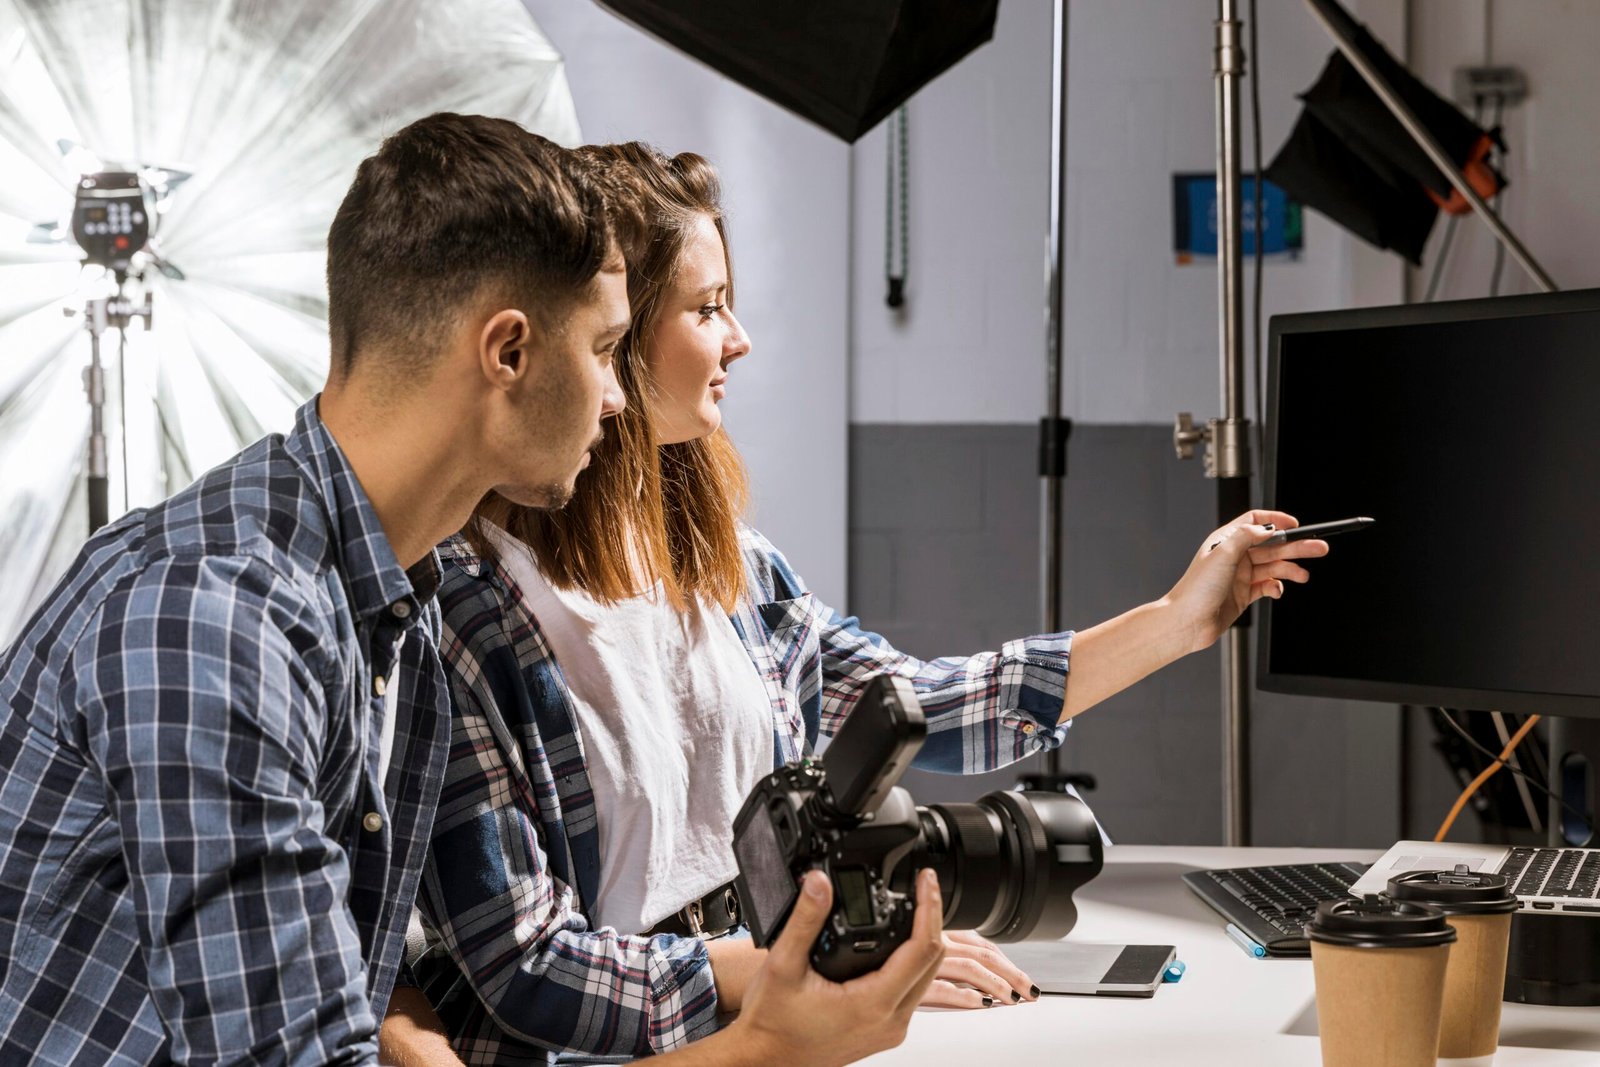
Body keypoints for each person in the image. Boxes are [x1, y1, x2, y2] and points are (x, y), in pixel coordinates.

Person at [0, 113, 934, 1067]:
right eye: (607, 349)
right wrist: (766, 1049)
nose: (617, 399)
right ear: (509, 353)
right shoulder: (221, 625)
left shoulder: (391, 595)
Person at [390, 142, 1329, 1065]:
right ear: (616, 333)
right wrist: (772, 975)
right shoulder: (473, 613)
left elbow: (919, 707)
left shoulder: (731, 568)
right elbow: (524, 971)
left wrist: (1180, 618)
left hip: (770, 1018)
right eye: (708, 308)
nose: (739, 338)